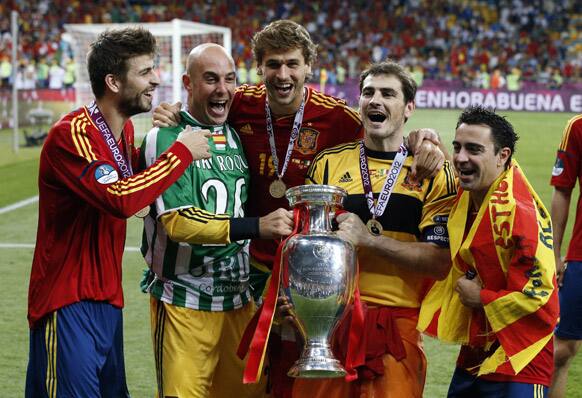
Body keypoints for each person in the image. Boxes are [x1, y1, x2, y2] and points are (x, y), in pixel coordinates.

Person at [153, 20, 442, 396]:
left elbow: (385, 134)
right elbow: (203, 105)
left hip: (308, 275)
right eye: (273, 64)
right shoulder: (240, 104)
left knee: (297, 371)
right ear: (260, 69)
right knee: (251, 379)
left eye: (292, 64)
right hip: (248, 268)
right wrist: (172, 114)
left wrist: (425, 139)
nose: (283, 74)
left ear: (309, 67)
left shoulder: (337, 117)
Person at [25, 27, 212, 398]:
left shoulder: (123, 135)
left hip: (107, 301)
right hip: (67, 303)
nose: (156, 80)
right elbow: (121, 199)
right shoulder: (72, 134)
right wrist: (182, 152)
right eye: (145, 72)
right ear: (113, 81)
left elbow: (137, 188)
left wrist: (162, 139)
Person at [288, 61, 456, 398]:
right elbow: (301, 247)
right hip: (328, 323)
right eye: (368, 92)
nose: (375, 100)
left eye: (388, 94)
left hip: (397, 330)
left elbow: (440, 263)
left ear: (409, 108)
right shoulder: (328, 164)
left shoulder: (433, 171)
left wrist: (369, 240)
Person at [140, 43, 293, 398]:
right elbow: (178, 223)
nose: (221, 88)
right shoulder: (165, 136)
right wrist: (257, 226)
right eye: (210, 79)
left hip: (237, 302)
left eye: (228, 79)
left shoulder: (235, 134)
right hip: (185, 302)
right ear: (187, 83)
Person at [418, 106, 559, 397]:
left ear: (502, 156)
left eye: (474, 149)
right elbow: (456, 173)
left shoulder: (518, 216)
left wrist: (478, 297)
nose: (460, 157)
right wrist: (429, 140)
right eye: (457, 147)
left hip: (520, 359)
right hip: (474, 354)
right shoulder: (477, 192)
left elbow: (540, 296)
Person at [549, 114, 582, 398]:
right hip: (581, 258)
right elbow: (563, 190)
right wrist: (555, 253)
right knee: (562, 350)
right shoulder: (578, 127)